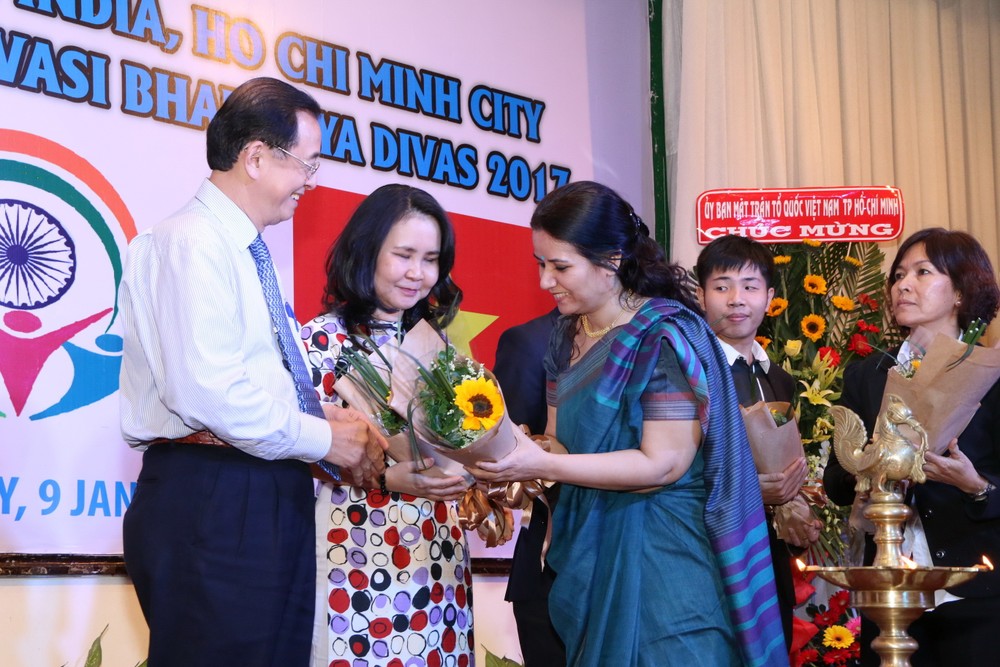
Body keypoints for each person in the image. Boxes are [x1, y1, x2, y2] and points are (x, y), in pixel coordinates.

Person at [119, 77, 387, 667]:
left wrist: (321, 421)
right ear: (257, 157)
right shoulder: (192, 241)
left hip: (260, 489)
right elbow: (206, 392)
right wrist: (326, 438)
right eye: (307, 165)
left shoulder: (245, 249)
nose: (311, 184)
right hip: (215, 495)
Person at [470, 181, 787, 666]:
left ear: (612, 260)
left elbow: (664, 463)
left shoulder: (661, 335)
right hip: (588, 555)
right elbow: (559, 444)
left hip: (665, 561)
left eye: (560, 266)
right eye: (541, 265)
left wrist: (537, 460)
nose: (545, 281)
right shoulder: (564, 336)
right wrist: (507, 451)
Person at [300, 183, 475, 667]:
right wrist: (385, 478)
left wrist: (471, 470)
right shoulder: (318, 342)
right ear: (367, 251)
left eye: (431, 258)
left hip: (436, 559)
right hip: (353, 556)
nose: (417, 274)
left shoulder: (439, 349)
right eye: (403, 255)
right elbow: (292, 454)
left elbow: (465, 445)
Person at [823, 227, 1000, 666]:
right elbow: (835, 483)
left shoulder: (991, 373)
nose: (903, 284)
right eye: (898, 274)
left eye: (922, 273)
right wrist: (867, 471)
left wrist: (975, 484)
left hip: (975, 589)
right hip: (889, 587)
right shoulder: (867, 375)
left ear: (961, 291)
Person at [695, 234, 820, 652]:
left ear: (769, 297)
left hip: (770, 560)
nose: (736, 299)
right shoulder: (689, 372)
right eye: (721, 286)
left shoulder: (779, 379)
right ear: (700, 295)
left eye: (750, 287)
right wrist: (750, 492)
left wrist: (798, 504)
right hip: (709, 559)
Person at [492, 308, 566, 667]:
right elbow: (501, 451)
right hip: (550, 565)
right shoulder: (532, 341)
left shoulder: (657, 339)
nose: (548, 279)